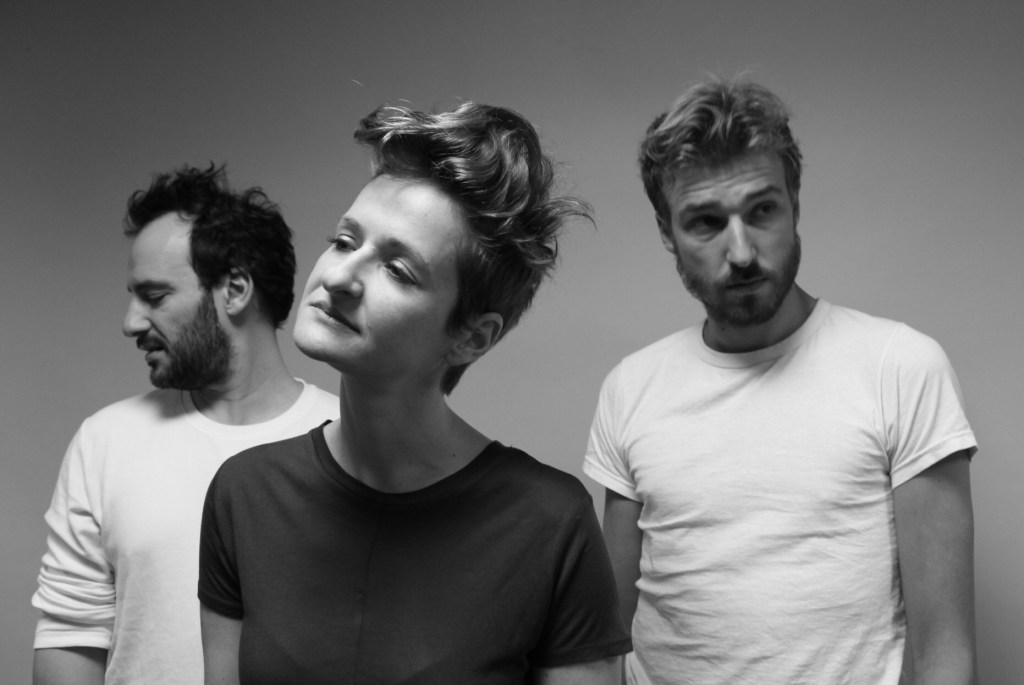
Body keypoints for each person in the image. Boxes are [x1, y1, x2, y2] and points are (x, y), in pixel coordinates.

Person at [198, 103, 631, 684]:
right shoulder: (245, 494)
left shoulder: (550, 523)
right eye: (344, 240)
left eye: (398, 270)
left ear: (471, 336)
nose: (339, 277)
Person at [584, 79, 978, 685]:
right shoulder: (630, 387)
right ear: (667, 232)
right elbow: (607, 641)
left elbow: (944, 655)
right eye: (706, 222)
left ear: (794, 204)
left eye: (762, 210)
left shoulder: (900, 367)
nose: (741, 252)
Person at [32, 165, 339, 685]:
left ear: (234, 289)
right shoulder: (105, 441)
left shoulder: (348, 440)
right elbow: (71, 632)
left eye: (154, 297)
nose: (130, 322)